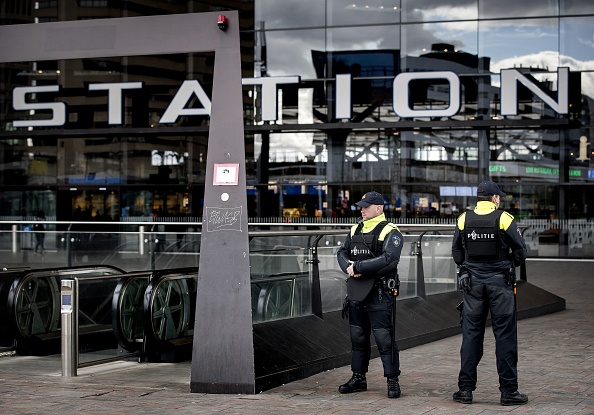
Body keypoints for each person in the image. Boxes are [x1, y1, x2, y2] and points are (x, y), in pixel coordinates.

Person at [451, 181, 528, 406]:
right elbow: (521, 250)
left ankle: (465, 390)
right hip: (500, 285)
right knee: (504, 337)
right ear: (494, 198)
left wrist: (467, 266)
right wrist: (506, 266)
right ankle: (509, 393)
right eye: (499, 197)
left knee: (471, 336)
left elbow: (456, 251)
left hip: (472, 285)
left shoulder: (464, 219)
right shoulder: (504, 218)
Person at [337, 191, 404, 398]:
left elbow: (389, 259)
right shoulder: (355, 228)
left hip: (380, 293)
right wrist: (349, 268)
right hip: (357, 291)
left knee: (384, 338)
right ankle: (358, 378)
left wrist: (358, 266)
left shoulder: (390, 231)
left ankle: (392, 380)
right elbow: (341, 253)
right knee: (357, 337)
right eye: (361, 206)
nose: (362, 210)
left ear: (379, 208)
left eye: (366, 206)